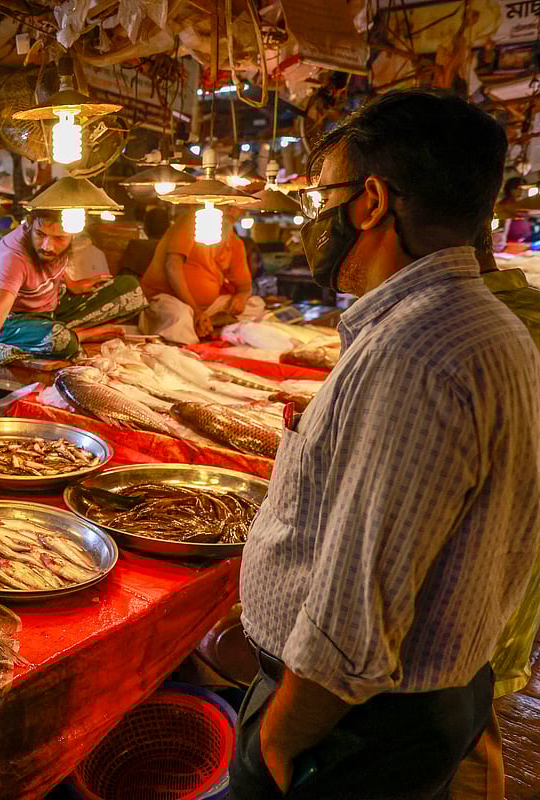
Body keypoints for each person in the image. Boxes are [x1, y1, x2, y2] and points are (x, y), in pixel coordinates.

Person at [231, 90, 540, 799]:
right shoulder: (484, 322)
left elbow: (356, 608)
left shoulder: (416, 351)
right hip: (421, 699)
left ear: (370, 201)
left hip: (351, 728)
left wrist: (280, 736)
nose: (315, 217)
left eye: (323, 194)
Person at [449, 229, 540, 800]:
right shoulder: (527, 312)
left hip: (474, 582)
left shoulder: (465, 332)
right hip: (518, 570)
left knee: (464, 726)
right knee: (478, 713)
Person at [0, 208, 148, 392]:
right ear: (29, 223)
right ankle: (81, 334)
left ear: (74, 231)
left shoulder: (64, 238)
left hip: (48, 311)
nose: (48, 246)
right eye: (41, 234)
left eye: (59, 238)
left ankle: (64, 330)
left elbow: (55, 266)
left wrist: (72, 285)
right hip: (9, 322)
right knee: (62, 341)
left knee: (131, 292)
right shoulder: (13, 257)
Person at [139, 204, 253, 339]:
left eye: (237, 206)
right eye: (228, 204)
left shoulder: (235, 243)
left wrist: (241, 298)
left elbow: (245, 287)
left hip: (209, 309)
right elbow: (172, 267)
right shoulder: (192, 221)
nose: (231, 210)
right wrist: (196, 311)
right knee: (180, 316)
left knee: (254, 304)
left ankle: (209, 324)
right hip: (170, 300)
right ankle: (201, 333)